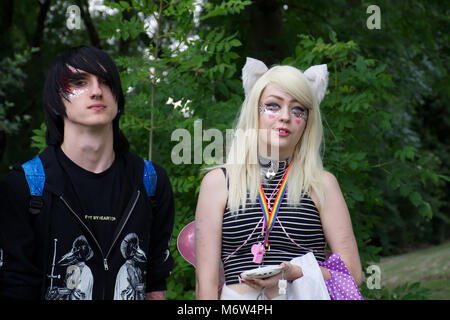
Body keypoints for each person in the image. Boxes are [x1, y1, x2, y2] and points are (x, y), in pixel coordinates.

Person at [0, 46, 175, 300]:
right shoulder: (24, 187)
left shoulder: (150, 182)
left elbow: (154, 286)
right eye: (80, 82)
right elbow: (15, 287)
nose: (96, 91)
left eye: (106, 82)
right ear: (55, 102)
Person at [195, 58, 363, 300]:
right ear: (255, 111)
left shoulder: (322, 183)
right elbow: (206, 285)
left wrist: (295, 272)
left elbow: (353, 273)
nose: (285, 116)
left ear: (307, 123)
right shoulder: (217, 183)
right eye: (273, 106)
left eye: (298, 110)